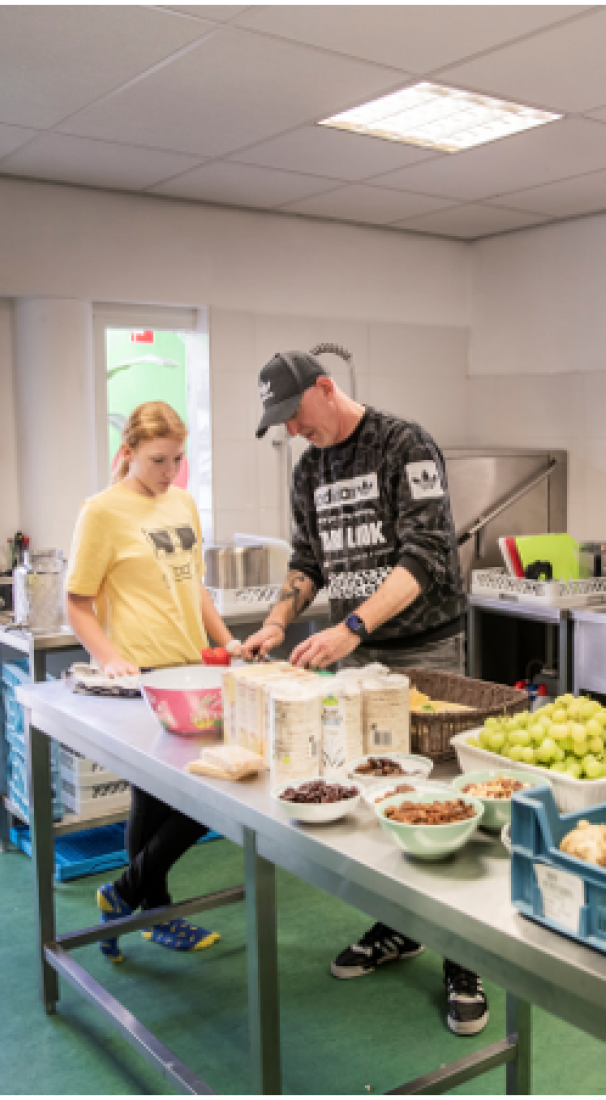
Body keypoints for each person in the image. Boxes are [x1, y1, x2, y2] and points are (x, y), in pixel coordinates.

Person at [234, 349, 486, 1037]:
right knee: (377, 803)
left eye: (294, 414)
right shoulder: (309, 469)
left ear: (325, 387)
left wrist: (350, 627)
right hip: (356, 661)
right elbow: (307, 562)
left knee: (438, 803)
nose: (292, 430)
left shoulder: (403, 445)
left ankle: (465, 960)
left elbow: (427, 558)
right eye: (279, 423)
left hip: (423, 654)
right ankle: (400, 926)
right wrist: (278, 620)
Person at [65, 401, 234, 962]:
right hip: (142, 676)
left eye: (178, 459)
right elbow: (78, 603)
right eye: (159, 460)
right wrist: (109, 656)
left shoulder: (183, 502)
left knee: (160, 798)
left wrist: (227, 642)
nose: (170, 472)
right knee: (192, 794)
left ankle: (129, 902)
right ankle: (140, 904)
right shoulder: (102, 512)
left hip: (190, 669)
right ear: (129, 453)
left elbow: (197, 588)